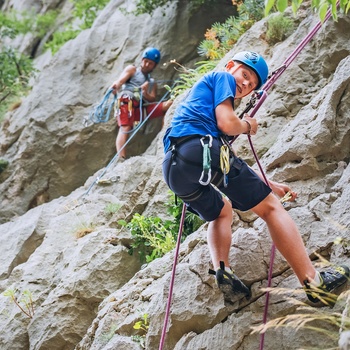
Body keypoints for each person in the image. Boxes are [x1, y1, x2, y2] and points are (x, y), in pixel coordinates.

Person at [162, 51, 349, 304]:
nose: (246, 84)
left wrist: (268, 184)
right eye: (245, 75)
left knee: (222, 211)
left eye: (251, 85)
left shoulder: (204, 104)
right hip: (202, 150)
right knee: (271, 208)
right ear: (231, 66)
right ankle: (314, 283)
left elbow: (231, 161)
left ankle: (223, 271)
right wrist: (247, 125)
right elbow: (228, 125)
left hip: (175, 168)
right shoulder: (221, 77)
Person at [111, 47, 172, 159]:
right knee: (125, 127)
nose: (147, 64)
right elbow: (120, 81)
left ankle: (164, 136)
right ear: (142, 60)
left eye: (151, 63)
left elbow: (152, 99)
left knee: (167, 106)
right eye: (146, 61)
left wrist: (144, 93)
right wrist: (116, 85)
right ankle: (121, 157)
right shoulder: (132, 70)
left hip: (139, 107)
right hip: (126, 102)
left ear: (154, 66)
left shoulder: (151, 82)